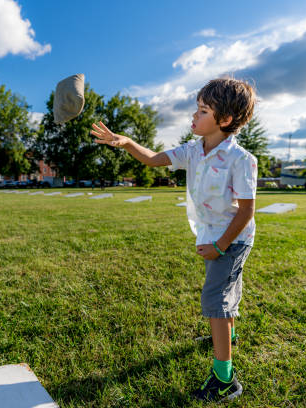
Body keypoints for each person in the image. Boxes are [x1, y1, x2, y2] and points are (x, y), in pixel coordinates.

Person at [90, 77, 257, 403]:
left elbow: (246, 212)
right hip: (212, 234)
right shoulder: (193, 150)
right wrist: (125, 143)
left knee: (215, 301)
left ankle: (224, 380)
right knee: (227, 292)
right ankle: (228, 336)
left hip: (233, 238)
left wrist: (221, 246)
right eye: (196, 109)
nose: (193, 117)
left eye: (202, 110)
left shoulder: (242, 160)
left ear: (224, 120)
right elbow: (153, 159)